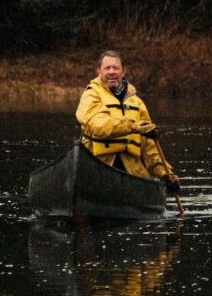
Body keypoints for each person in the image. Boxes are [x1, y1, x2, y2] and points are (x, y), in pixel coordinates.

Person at [76, 50, 180, 194]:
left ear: (122, 72)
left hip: (132, 171)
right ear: (98, 71)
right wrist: (133, 125)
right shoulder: (91, 95)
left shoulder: (137, 102)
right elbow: (98, 126)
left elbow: (149, 146)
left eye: (116, 68)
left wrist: (166, 173)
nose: (112, 72)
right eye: (107, 68)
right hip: (99, 166)